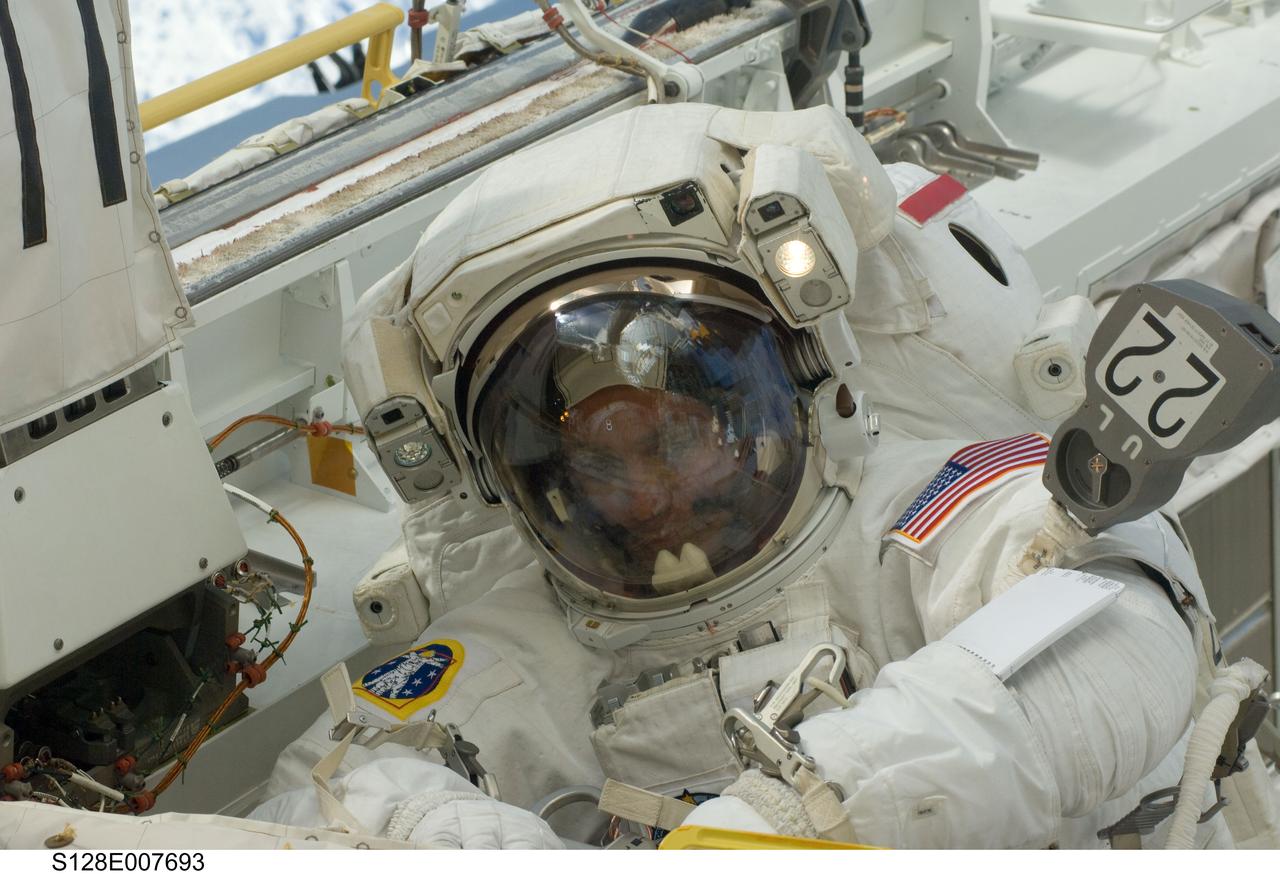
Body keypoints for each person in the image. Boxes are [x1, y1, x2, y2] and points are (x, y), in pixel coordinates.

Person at [251, 102, 1279, 849]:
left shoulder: (934, 503)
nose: (650, 497)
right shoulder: (538, 635)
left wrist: (795, 822)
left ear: (787, 392)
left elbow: (1115, 632)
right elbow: (328, 782)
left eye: (676, 439)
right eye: (600, 465)